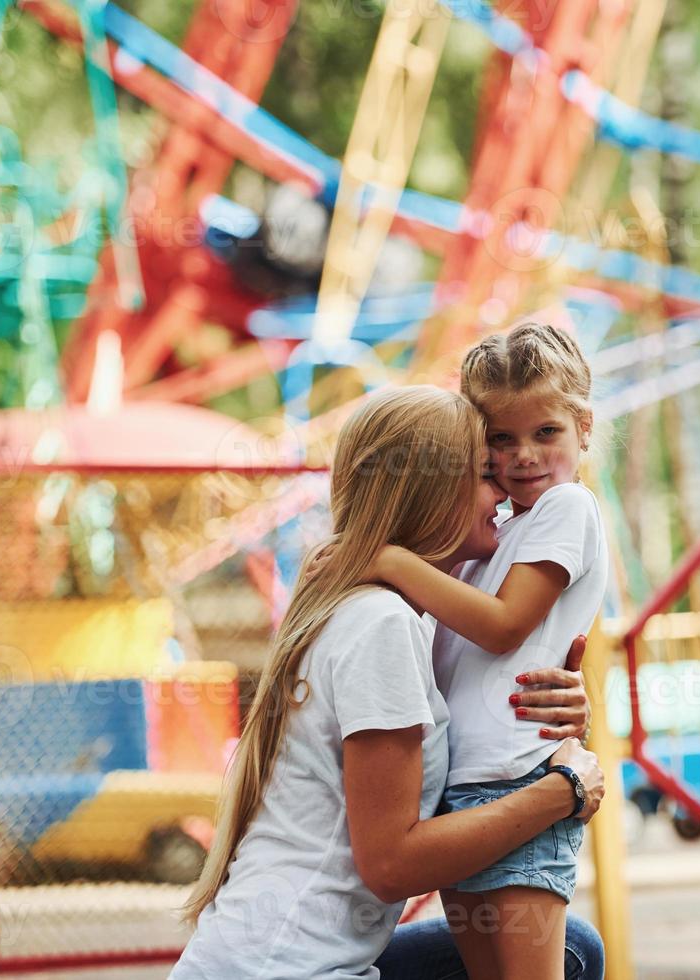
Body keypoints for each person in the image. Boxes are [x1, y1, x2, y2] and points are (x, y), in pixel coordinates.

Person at [171, 385, 605, 980]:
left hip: (267, 961)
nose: (503, 488)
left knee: (574, 947)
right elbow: (392, 866)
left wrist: (554, 712)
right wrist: (562, 791)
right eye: (484, 472)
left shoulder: (385, 614)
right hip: (288, 970)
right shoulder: (381, 623)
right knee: (571, 956)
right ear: (433, 493)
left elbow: (474, 715)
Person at [371, 324, 609, 978]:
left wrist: (384, 558)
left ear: (583, 427)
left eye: (546, 433)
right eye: (502, 439)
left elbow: (504, 626)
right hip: (469, 794)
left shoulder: (568, 507)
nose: (524, 455)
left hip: (519, 782)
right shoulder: (503, 531)